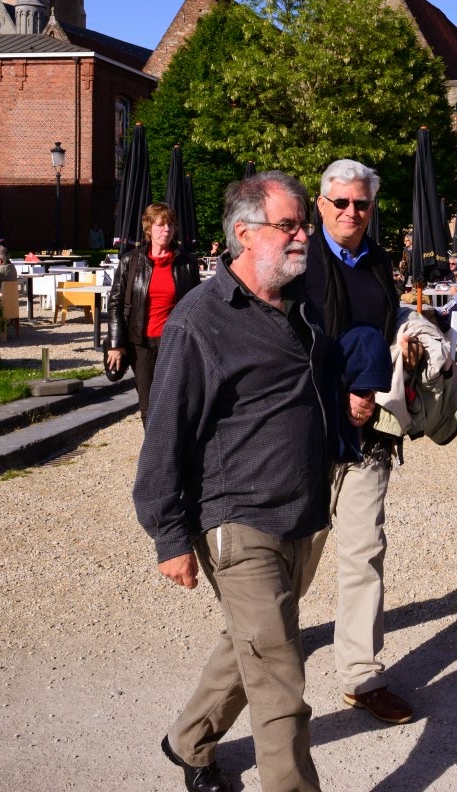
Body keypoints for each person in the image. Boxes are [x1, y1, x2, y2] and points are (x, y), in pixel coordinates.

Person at [137, 172, 339, 792]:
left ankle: (189, 738)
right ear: (244, 233)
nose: (303, 236)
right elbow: (163, 438)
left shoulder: (300, 303)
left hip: (302, 513)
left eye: (304, 224)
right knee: (280, 675)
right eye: (289, 226)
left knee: (250, 641)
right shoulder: (200, 321)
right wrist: (169, 537)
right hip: (237, 518)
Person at [303, 158, 417, 725]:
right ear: (321, 205)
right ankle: (258, 646)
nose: (352, 212)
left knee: (364, 550)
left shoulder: (377, 262)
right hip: (305, 431)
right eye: (341, 202)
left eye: (362, 204)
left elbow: (385, 321)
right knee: (293, 553)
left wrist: (408, 339)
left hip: (369, 436)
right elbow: (284, 345)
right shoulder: (297, 261)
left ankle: (361, 673)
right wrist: (339, 390)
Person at [106, 203, 199, 418]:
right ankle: (153, 440)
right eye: (160, 225)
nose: (166, 229)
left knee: (175, 400)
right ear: (148, 228)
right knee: (148, 403)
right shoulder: (131, 261)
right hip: (141, 342)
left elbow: (196, 305)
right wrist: (115, 344)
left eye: (170, 225)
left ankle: (172, 438)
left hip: (174, 342)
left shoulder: (187, 263)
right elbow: (115, 304)